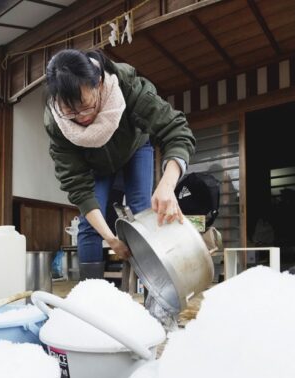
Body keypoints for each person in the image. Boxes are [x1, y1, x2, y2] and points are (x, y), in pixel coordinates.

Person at [44, 49, 195, 279]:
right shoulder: (57, 125)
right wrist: (112, 240)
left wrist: (167, 185)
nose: (82, 117)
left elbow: (175, 130)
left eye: (87, 105)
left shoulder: (125, 85)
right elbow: (78, 188)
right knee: (89, 225)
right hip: (95, 163)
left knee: (142, 209)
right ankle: (91, 296)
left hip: (135, 147)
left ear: (100, 84)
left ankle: (151, 288)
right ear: (57, 103)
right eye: (71, 112)